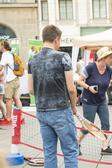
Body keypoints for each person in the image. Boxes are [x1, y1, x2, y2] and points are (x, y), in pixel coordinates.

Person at [28, 25, 78, 168]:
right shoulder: (63, 57)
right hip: (61, 110)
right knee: (70, 151)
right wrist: (74, 107)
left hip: (42, 111)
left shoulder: (32, 60)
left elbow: (31, 90)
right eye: (60, 40)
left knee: (49, 152)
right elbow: (71, 89)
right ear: (56, 39)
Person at [0, 41, 22, 124]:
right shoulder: (11, 54)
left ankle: (8, 118)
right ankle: (20, 116)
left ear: (3, 46)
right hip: (16, 78)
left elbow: (0, 67)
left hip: (10, 80)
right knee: (16, 98)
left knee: (8, 99)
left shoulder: (5, 55)